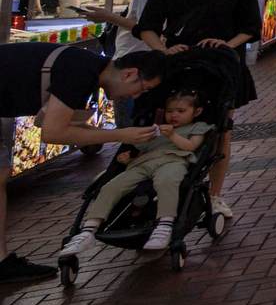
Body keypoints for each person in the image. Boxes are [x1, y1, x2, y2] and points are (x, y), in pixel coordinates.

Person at [0, 44, 167, 281]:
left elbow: (62, 127)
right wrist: (120, 135)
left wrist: (122, 134)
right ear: (129, 73)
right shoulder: (80, 72)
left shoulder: (87, 68)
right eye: (141, 88)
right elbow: (54, 133)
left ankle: (2, 261)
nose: (136, 96)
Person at [134, 0, 260, 220]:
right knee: (166, 121)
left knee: (220, 131)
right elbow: (147, 27)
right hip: (178, 66)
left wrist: (228, 44)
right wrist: (163, 50)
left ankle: (215, 195)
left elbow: (251, 27)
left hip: (222, 68)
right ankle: (158, 185)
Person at [59, 87, 213, 258]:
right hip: (142, 163)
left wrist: (172, 136)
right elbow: (142, 150)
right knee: (111, 186)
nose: (174, 115)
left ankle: (165, 224)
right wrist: (128, 159)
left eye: (181, 111)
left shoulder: (198, 127)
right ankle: (89, 228)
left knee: (167, 182)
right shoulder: (156, 129)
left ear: (197, 111)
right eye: (170, 111)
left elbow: (191, 147)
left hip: (173, 160)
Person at [75, 0, 185, 109]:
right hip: (150, 60)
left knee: (129, 116)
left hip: (136, 60)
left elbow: (143, 29)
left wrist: (108, 16)